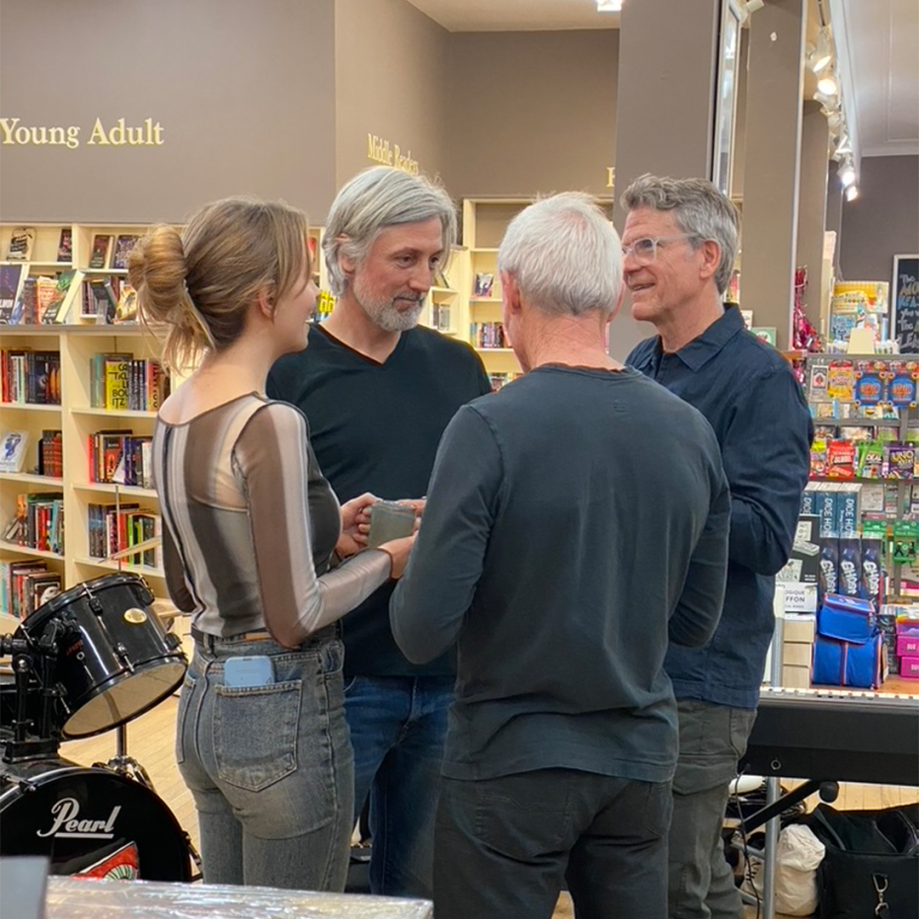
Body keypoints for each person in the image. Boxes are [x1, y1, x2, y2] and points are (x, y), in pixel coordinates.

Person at [389, 192, 732, 919]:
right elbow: (696, 621)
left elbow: (421, 630)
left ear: (510, 293)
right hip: (637, 759)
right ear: (613, 297)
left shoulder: (486, 427)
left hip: (510, 763)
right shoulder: (689, 431)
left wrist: (419, 557)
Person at [128, 196, 414, 891]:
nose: (315, 296)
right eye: (306, 280)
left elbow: (186, 586)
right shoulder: (269, 422)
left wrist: (326, 529)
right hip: (282, 712)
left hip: (204, 702)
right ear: (265, 298)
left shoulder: (173, 411)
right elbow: (295, 616)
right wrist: (386, 558)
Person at [267, 166, 492, 898]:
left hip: (445, 675)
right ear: (344, 253)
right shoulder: (287, 374)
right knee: (311, 889)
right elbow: (262, 534)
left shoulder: (457, 367)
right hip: (335, 676)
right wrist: (336, 534)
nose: (423, 279)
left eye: (433, 259)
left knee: (418, 890)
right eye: (405, 259)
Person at [622, 175, 814, 919]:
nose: (630, 263)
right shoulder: (641, 366)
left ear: (707, 258)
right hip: (630, 665)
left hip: (698, 679)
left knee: (675, 884)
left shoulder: (759, 383)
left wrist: (650, 503)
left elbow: (765, 535)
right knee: (682, 878)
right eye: (625, 247)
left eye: (648, 244)